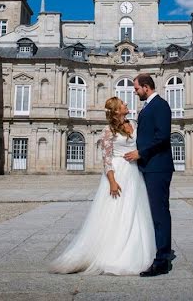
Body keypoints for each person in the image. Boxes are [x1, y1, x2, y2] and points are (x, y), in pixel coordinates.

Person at [50, 97, 156, 275]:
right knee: (116, 213)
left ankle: (135, 250)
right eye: (123, 104)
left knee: (134, 212)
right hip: (118, 172)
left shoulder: (134, 124)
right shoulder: (107, 131)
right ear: (116, 111)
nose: (127, 105)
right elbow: (106, 159)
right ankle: (113, 252)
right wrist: (112, 182)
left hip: (134, 173)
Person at [123, 73, 175, 277]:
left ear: (146, 87)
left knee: (160, 213)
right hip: (149, 166)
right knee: (153, 213)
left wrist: (140, 152)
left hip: (157, 167)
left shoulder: (160, 106)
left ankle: (162, 260)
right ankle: (156, 251)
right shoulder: (148, 107)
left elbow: (162, 137)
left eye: (136, 89)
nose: (135, 93)